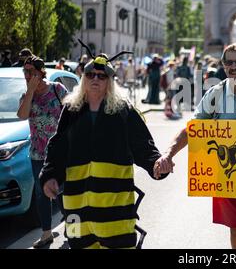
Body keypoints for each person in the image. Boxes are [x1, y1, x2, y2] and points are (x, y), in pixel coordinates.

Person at [154, 43, 236, 249]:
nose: (233, 66)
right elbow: (194, 128)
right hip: (227, 173)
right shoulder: (216, 93)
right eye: (228, 62)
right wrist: (168, 154)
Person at [39, 47, 168, 249]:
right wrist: (50, 175)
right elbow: (57, 145)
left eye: (101, 75)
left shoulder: (123, 110)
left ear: (109, 81)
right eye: (90, 74)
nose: (95, 79)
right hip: (75, 207)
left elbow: (143, 146)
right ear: (83, 78)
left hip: (114, 208)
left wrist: (157, 165)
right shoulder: (71, 109)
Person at [16, 55, 68, 248]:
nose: (27, 75)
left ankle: (71, 224)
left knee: (63, 191)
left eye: (30, 72)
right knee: (41, 194)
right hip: (38, 154)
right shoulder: (26, 95)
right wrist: (30, 91)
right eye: (25, 72)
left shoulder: (57, 89)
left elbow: (73, 111)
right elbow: (22, 115)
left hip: (60, 153)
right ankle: (46, 233)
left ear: (40, 72)